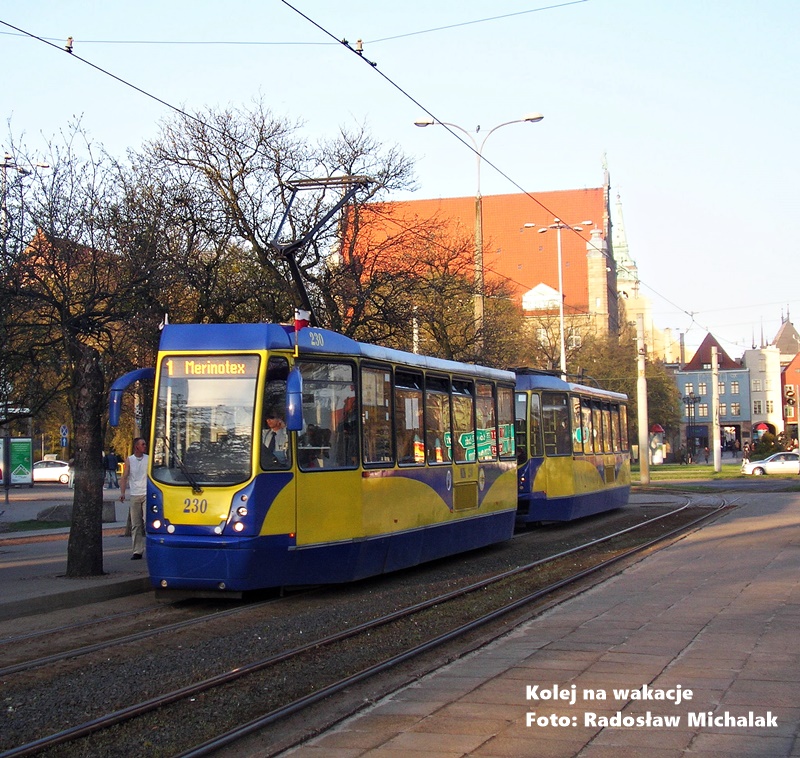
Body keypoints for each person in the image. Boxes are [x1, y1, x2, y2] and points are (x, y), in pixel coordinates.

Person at [119, 437, 148, 560]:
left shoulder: (148, 459)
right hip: (135, 494)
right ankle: (137, 551)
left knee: (147, 522)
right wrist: (122, 493)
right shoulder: (130, 460)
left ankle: (151, 548)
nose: (145, 446)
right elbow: (124, 477)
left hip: (146, 494)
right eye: (142, 444)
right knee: (136, 524)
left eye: (145, 444)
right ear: (136, 447)